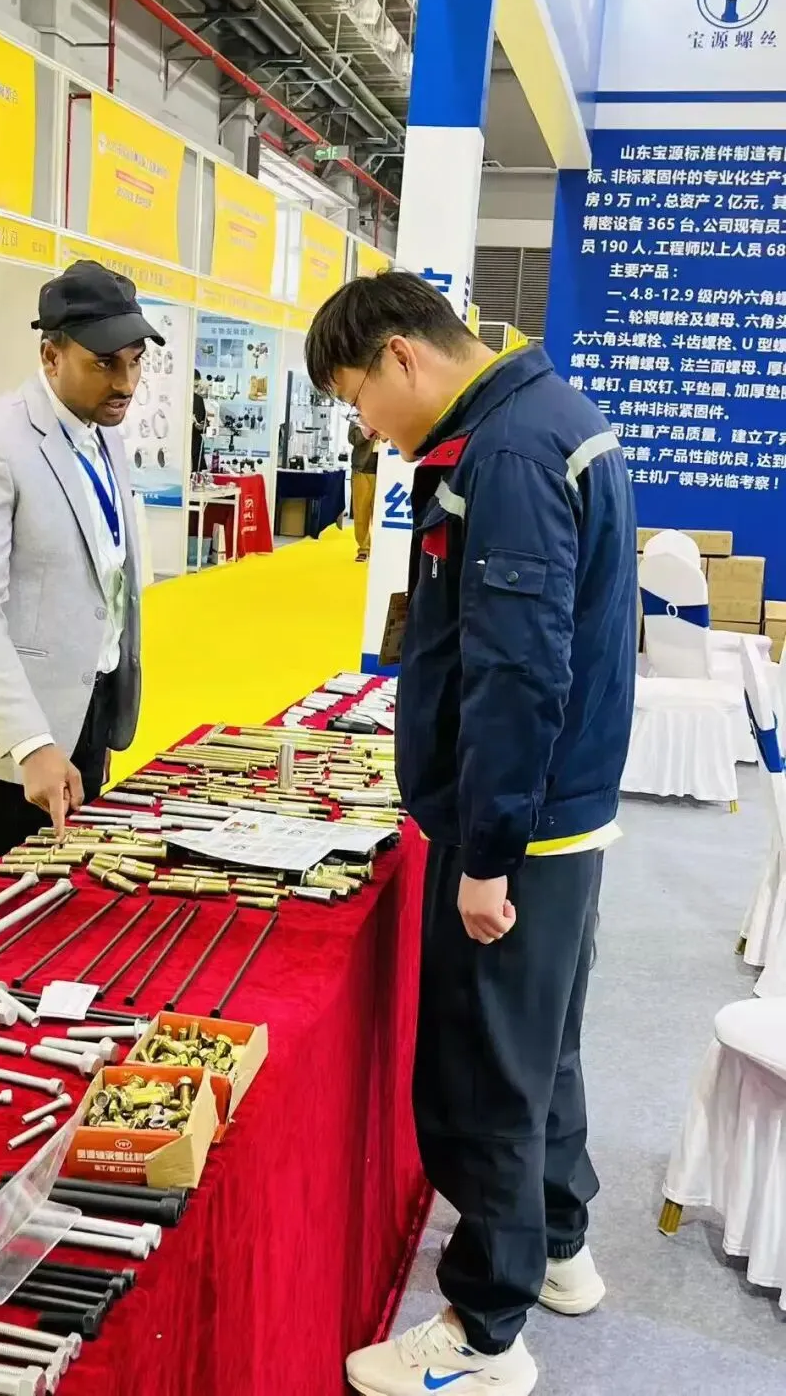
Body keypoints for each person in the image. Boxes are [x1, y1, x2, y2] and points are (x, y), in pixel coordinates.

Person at [305, 270, 636, 1396]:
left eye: (357, 398)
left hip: (521, 828)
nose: (366, 427)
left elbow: (518, 671)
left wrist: (486, 852)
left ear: (402, 357)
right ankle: (559, 1245)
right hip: (561, 810)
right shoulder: (547, 415)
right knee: (543, 1047)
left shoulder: (509, 454)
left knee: (485, 1073)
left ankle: (484, 1334)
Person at [0, 260, 162, 874]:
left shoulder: (105, 434)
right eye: (105, 363)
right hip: (13, 735)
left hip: (91, 710)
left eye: (135, 361)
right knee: (10, 907)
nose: (126, 383)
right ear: (51, 356)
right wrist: (32, 744)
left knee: (73, 894)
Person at [348, 419, 378, 561]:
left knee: (381, 514)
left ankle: (381, 547)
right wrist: (368, 430)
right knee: (361, 512)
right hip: (362, 469)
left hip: (388, 471)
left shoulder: (393, 412)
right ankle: (364, 548)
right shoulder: (359, 414)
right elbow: (353, 438)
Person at [191, 370, 207, 475]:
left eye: (196, 386)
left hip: (195, 446)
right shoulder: (176, 399)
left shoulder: (198, 400)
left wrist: (201, 426)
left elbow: (204, 423)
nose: (195, 390)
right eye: (194, 386)